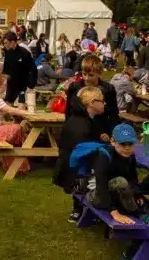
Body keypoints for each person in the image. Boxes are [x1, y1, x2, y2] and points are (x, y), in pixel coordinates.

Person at [86, 124, 149, 228]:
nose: (127, 148)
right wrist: (115, 213)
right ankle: (138, 215)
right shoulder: (103, 156)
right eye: (123, 144)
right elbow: (101, 186)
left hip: (116, 192)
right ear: (112, 142)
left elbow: (133, 178)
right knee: (121, 182)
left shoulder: (130, 156)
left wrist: (137, 194)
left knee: (143, 201)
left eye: (130, 144)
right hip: (96, 194)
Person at [54, 86, 106, 222]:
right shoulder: (83, 124)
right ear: (92, 103)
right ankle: (93, 207)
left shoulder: (77, 119)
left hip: (66, 168)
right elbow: (84, 152)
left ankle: (78, 209)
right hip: (77, 173)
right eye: (102, 101)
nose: (104, 103)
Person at [65, 55, 121, 138]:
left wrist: (109, 133)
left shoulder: (108, 89)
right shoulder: (74, 87)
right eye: (84, 74)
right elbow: (69, 111)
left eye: (91, 75)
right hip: (79, 130)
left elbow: (113, 113)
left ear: (99, 73)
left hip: (101, 130)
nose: (86, 78)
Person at [2, 31, 37, 107]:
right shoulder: (8, 53)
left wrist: (31, 86)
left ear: (13, 42)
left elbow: (33, 70)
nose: (4, 45)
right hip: (11, 85)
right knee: (6, 108)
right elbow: (6, 69)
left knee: (21, 110)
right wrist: (3, 80)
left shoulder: (24, 53)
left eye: (6, 43)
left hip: (23, 86)